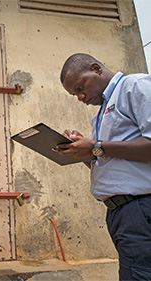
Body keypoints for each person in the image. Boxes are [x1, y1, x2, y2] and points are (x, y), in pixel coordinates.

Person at [58, 53, 151, 280]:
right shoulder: (101, 114)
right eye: (74, 95)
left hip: (140, 207)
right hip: (120, 213)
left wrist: (96, 147)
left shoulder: (134, 86)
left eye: (81, 87)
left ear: (96, 68)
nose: (80, 97)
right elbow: (109, 163)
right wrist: (82, 153)